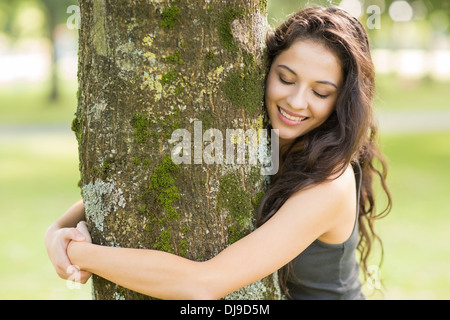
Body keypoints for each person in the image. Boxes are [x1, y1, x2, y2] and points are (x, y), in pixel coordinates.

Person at [45, 6, 392, 300]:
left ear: (341, 102)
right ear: (264, 69)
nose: (296, 101)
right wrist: (56, 233)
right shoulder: (258, 140)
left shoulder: (331, 183)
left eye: (320, 92)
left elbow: (202, 283)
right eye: (286, 79)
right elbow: (96, 203)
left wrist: (77, 252)